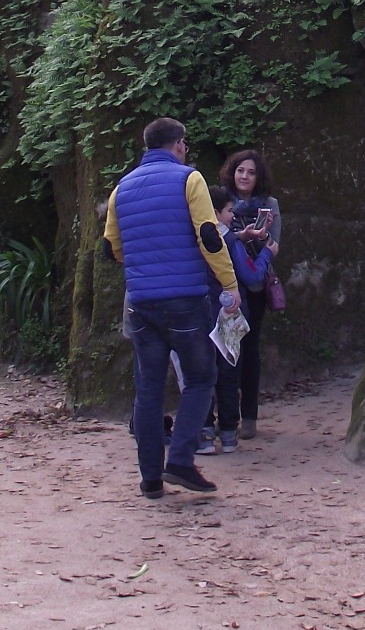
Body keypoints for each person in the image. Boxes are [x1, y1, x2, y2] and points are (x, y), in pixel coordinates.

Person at [103, 117, 236, 498]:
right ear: (178, 145)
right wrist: (229, 283)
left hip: (141, 304)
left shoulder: (121, 189)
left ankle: (150, 479)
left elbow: (111, 247)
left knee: (148, 390)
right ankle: (179, 459)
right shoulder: (188, 178)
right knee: (199, 378)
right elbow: (209, 236)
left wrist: (146, 266)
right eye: (186, 145)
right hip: (186, 301)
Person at [199, 185, 271, 455]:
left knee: (203, 372)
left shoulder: (195, 238)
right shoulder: (228, 242)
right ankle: (229, 432)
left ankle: (205, 429)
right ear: (217, 212)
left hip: (201, 313)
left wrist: (243, 234)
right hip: (228, 314)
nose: (233, 215)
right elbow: (251, 276)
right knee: (229, 372)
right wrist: (266, 254)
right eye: (229, 211)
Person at [218, 148, 281, 441]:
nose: (244, 176)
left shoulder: (269, 205)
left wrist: (263, 236)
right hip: (226, 288)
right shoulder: (220, 202)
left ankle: (250, 416)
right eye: (240, 170)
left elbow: (274, 245)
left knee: (250, 348)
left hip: (254, 286)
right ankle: (225, 418)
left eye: (251, 172)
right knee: (227, 350)